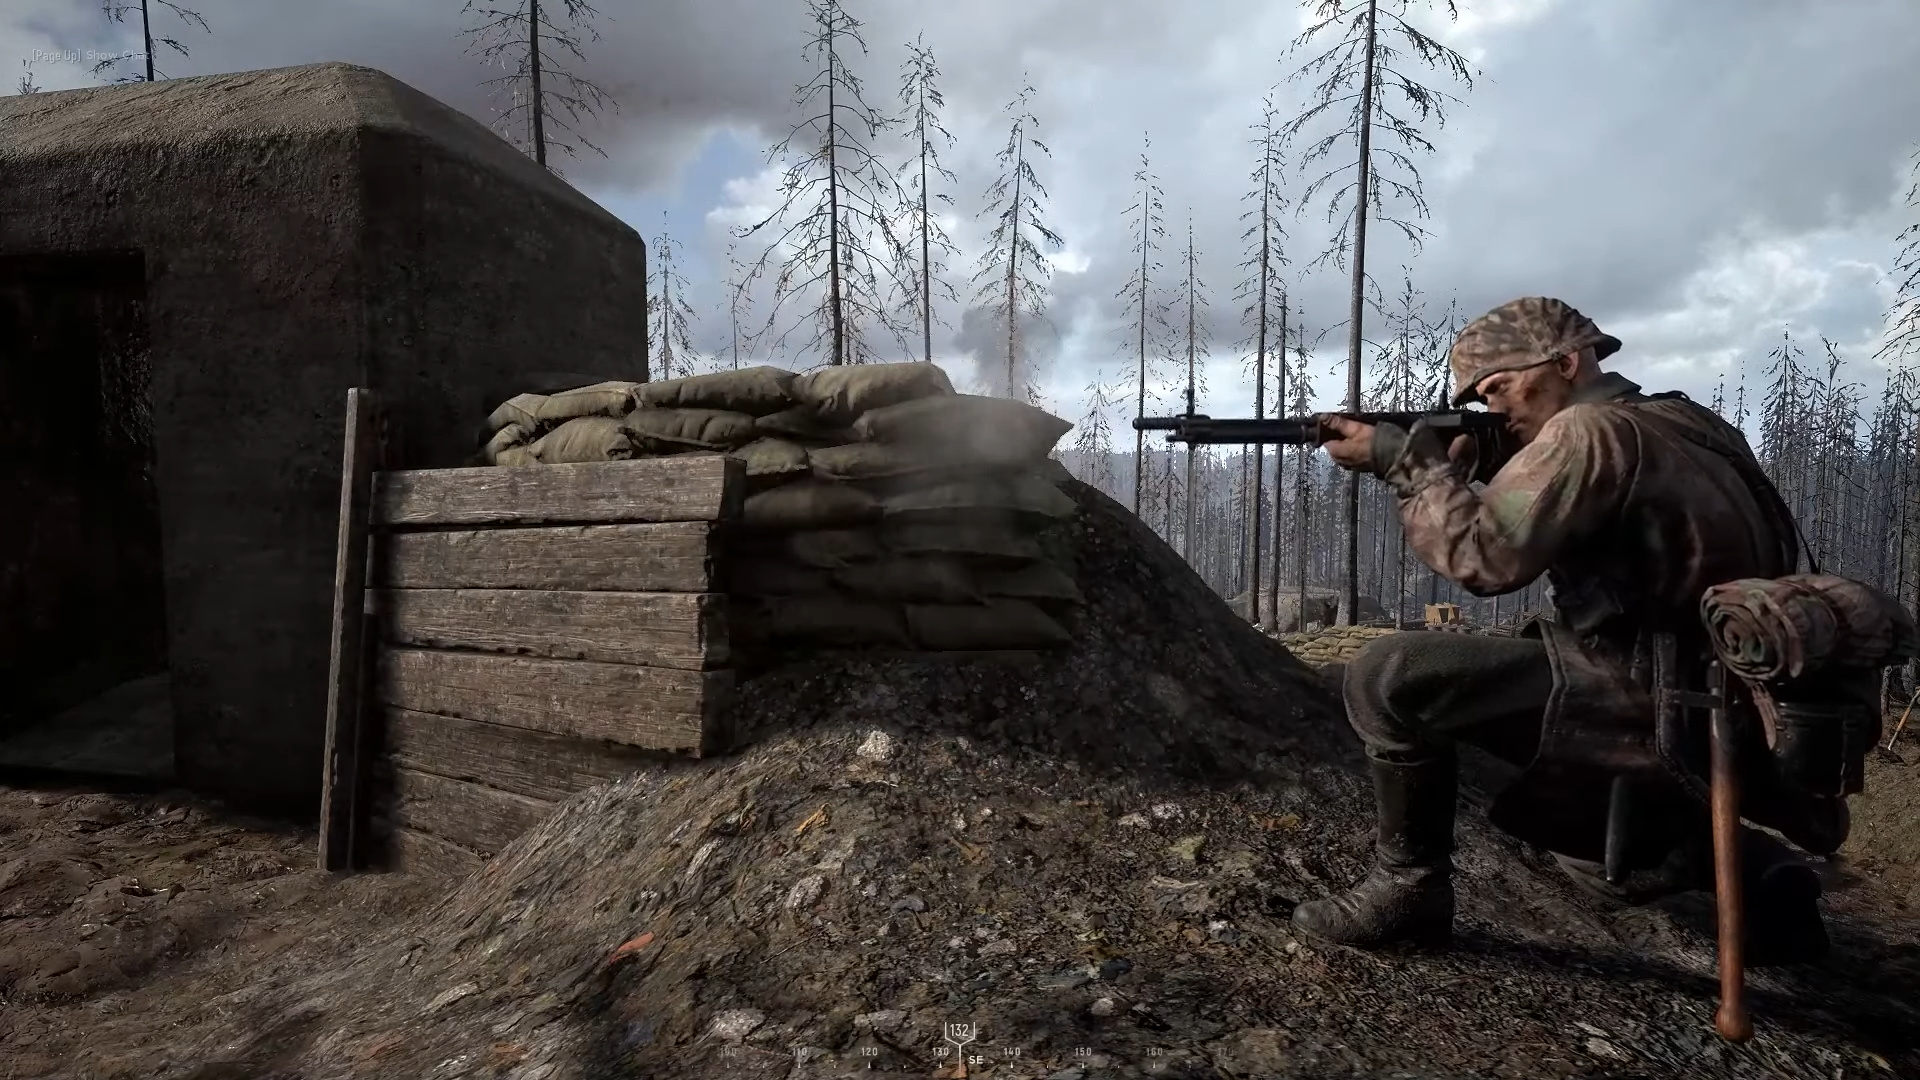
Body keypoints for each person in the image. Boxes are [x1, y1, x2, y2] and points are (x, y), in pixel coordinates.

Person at [1289, 296, 1830, 964]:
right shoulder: (1690, 422)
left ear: (1567, 364)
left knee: (1386, 676)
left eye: (1499, 387)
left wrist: (1414, 469)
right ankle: (1763, 873)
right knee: (1591, 857)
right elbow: (1608, 505)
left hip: (1641, 693)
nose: (1493, 409)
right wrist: (1495, 462)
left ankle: (1409, 890)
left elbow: (1484, 559)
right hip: (1730, 699)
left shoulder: (1586, 431)